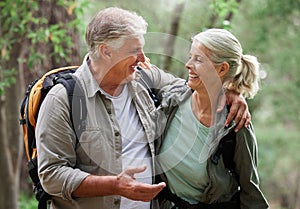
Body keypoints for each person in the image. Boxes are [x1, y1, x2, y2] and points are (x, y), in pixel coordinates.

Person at [36, 7, 250, 209]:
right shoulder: (62, 100)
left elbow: (191, 87)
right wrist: (113, 185)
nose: (142, 58)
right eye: (135, 50)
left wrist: (230, 91)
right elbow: (51, 175)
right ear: (106, 51)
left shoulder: (143, 78)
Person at [156, 29, 269, 209]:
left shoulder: (237, 125)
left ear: (222, 68)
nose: (188, 64)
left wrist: (234, 93)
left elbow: (251, 192)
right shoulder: (172, 98)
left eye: (198, 59)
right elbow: (137, 72)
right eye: (190, 56)